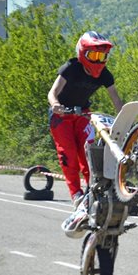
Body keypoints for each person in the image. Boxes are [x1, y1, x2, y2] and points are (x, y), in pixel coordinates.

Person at [48, 31, 123, 209]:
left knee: (90, 153)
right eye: (94, 55)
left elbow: (116, 100)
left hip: (82, 114)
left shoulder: (105, 74)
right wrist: (55, 104)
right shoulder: (71, 68)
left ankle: (94, 191)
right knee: (68, 155)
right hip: (61, 116)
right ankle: (76, 194)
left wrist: (125, 119)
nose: (98, 60)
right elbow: (52, 92)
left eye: (102, 56)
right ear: (82, 53)